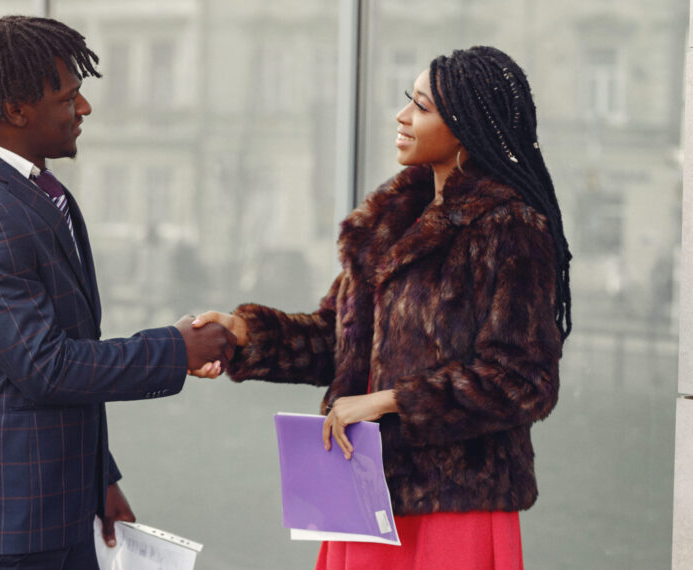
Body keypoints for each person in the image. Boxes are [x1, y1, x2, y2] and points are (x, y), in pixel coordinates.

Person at [192, 46, 570, 569]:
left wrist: (388, 402)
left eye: (422, 106)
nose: (402, 116)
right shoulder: (388, 222)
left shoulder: (508, 227)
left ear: (466, 127)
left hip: (455, 505)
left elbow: (522, 379)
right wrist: (244, 335)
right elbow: (337, 339)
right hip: (365, 493)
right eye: (407, 101)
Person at [0, 16, 235, 569]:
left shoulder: (36, 193)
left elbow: (63, 353)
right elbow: (46, 367)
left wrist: (101, 480)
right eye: (69, 97)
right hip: (7, 531)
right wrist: (174, 349)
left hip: (58, 509)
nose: (85, 108)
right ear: (17, 110)